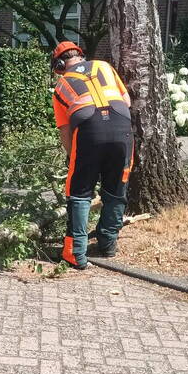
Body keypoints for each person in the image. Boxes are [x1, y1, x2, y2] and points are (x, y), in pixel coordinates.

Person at [50, 41, 134, 270]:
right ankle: (108, 244)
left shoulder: (61, 85)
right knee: (116, 189)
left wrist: (72, 158)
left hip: (89, 132)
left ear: (59, 65)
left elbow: (66, 132)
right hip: (122, 129)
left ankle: (75, 253)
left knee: (79, 192)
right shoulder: (105, 66)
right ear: (81, 56)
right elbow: (126, 101)